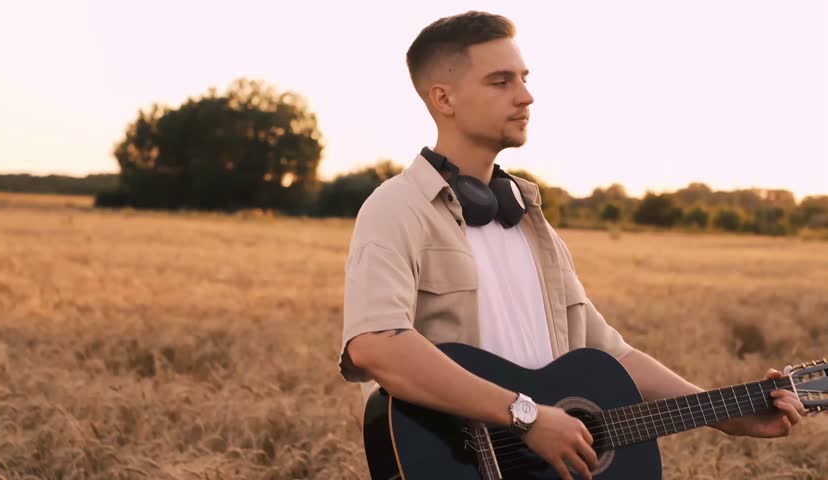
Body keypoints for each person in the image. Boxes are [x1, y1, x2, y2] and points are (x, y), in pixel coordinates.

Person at [337, 10, 805, 480]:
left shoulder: (529, 220)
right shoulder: (398, 208)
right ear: (444, 98)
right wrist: (526, 415)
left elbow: (613, 355)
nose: (526, 96)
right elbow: (377, 346)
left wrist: (726, 413)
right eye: (500, 81)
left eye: (524, 78)